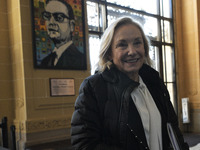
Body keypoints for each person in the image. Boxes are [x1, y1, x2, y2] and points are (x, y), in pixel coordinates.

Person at [71, 16, 189, 150]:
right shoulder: (94, 88)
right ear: (109, 53)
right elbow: (84, 144)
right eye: (122, 45)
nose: (132, 51)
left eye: (137, 43)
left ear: (144, 48)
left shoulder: (154, 82)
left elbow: (173, 131)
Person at [40, 0, 85, 69]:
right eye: (47, 16)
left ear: (71, 25)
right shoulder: (45, 61)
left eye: (59, 17)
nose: (51, 22)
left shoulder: (80, 59)